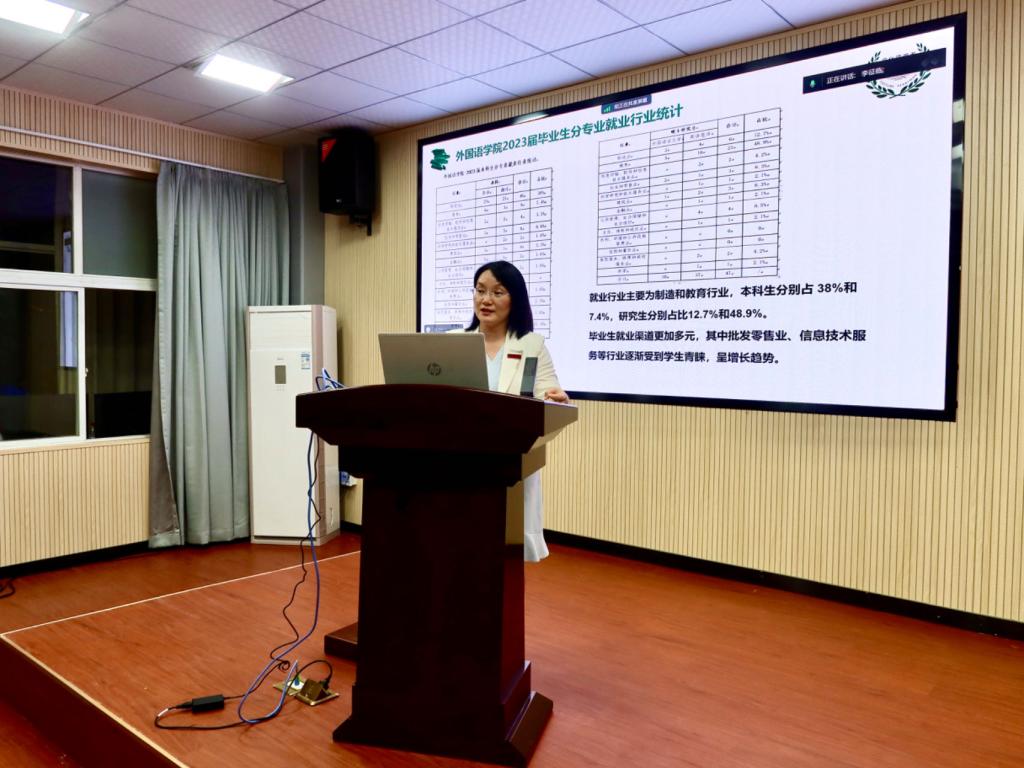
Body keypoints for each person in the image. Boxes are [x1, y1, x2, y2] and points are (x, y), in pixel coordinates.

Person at [462, 260, 569, 562]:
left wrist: (556, 401)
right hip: (459, 464)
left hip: (508, 464)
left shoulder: (531, 346)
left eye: (498, 292)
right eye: (480, 290)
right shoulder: (456, 341)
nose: (486, 300)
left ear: (515, 299)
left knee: (502, 558)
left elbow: (548, 398)